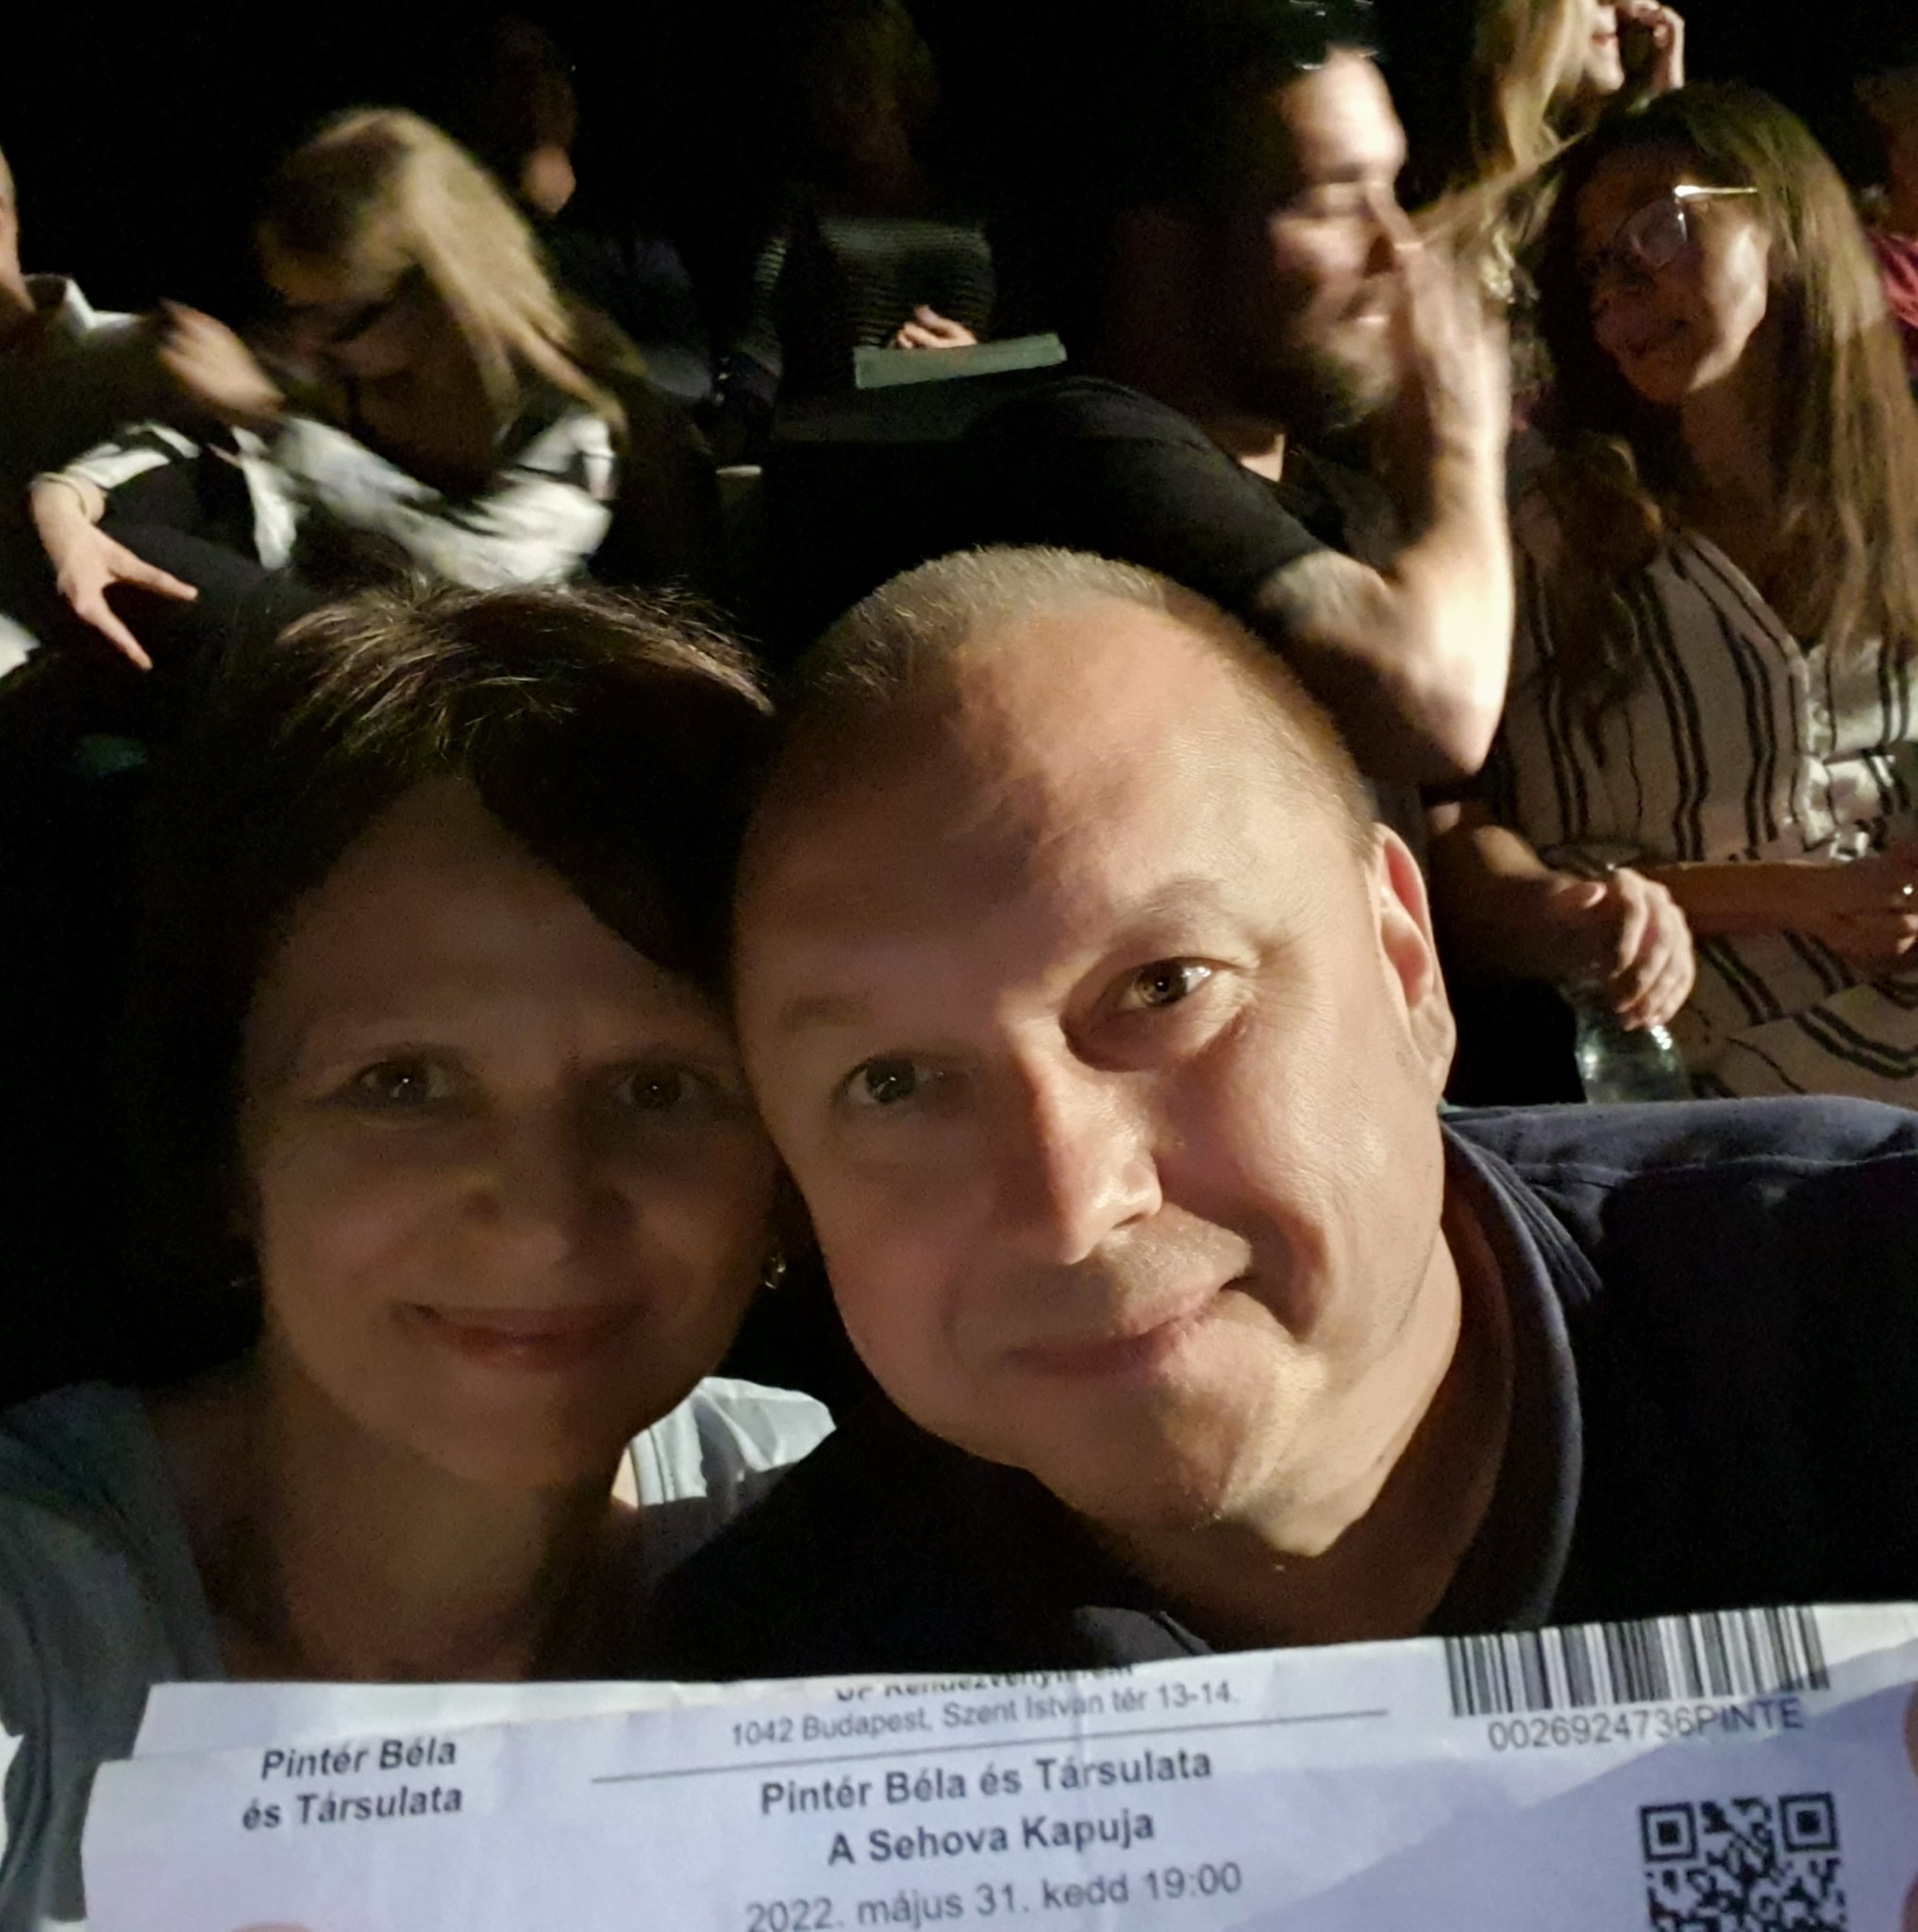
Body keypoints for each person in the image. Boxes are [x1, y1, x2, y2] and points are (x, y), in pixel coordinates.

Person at [647, 545, 1918, 1680]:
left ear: (1403, 963)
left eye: (1163, 987)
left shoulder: (1867, 1299)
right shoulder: (749, 1719)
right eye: (893, 1082)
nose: (1072, 1203)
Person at [0, 583, 831, 1927]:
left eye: (660, 1088)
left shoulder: (855, 1534)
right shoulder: (29, 1620)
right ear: (224, 1143)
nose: (544, 1218)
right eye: (402, 1084)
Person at [1427, 85, 1918, 1101]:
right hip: (1701, 1053)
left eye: (1659, 225)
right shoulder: (1553, 527)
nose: (1620, 285)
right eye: (1595, 265)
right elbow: (1479, 868)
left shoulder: (1892, 503)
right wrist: (1800, 896)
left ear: (1783, 220)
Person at [958, 0, 1511, 787]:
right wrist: (1458, 444)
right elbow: (1435, 709)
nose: (1399, 249)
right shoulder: (1080, 456)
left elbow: (1440, 806)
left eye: (1393, 189)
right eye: (1332, 201)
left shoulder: (1337, 502)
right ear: (1162, 247)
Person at [28, 109, 718, 674]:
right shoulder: (339, 363)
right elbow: (187, 436)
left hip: (486, 685)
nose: (305, 340)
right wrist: (64, 498)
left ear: (440, 292)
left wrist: (274, 424)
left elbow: (487, 583)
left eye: (334, 318)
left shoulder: (569, 412)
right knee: (121, 550)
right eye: (292, 309)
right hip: (338, 642)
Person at [712, 0, 995, 451]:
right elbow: (762, 342)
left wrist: (974, 362)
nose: (840, 109)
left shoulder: (970, 212)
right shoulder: (802, 211)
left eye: (857, 87)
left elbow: (1028, 353)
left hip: (955, 437)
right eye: (827, 90)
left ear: (903, 90)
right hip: (842, 437)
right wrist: (730, 426)